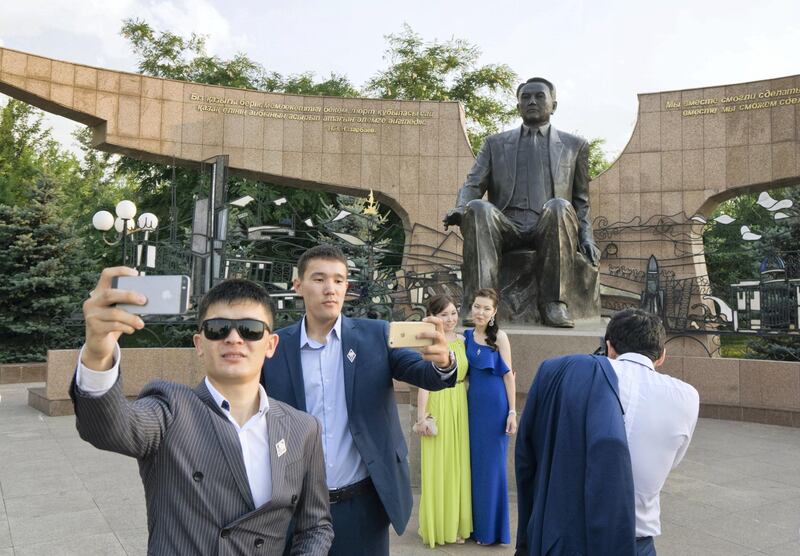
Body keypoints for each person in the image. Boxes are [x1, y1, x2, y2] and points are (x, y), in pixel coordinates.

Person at [71, 267, 333, 555]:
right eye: (218, 329)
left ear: (270, 345)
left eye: (251, 330)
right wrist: (97, 353)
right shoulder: (170, 408)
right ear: (199, 344)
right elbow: (108, 428)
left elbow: (315, 527)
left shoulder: (302, 427)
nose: (234, 338)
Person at [260, 245, 457, 556]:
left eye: (339, 281)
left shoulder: (375, 336)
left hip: (363, 506)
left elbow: (428, 375)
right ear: (298, 285)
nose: (330, 289)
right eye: (319, 279)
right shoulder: (273, 348)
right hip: (296, 508)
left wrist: (444, 361)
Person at [443, 77, 600, 328]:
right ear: (518, 107)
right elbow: (473, 184)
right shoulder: (495, 143)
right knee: (478, 208)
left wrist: (587, 237)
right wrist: (461, 208)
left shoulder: (575, 146)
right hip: (507, 225)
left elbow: (580, 201)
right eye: (526, 98)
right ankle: (482, 305)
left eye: (539, 96)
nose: (532, 101)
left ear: (554, 105)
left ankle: (554, 303)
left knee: (560, 206)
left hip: (549, 223)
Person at [603, 309, 699, 555]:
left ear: (609, 347)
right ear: (662, 356)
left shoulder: (586, 378)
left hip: (578, 531)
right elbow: (673, 460)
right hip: (639, 536)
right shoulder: (687, 396)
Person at [414, 295, 472, 547]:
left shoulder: (462, 341)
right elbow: (424, 382)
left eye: (453, 313)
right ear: (433, 316)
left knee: (457, 465)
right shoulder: (430, 341)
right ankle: (438, 527)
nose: (451, 318)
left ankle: (456, 525)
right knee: (438, 466)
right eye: (445, 314)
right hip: (438, 401)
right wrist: (421, 417)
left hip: (459, 402)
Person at [464, 288, 516, 545]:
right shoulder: (465, 337)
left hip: (496, 409)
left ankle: (492, 531)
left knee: (493, 469)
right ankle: (474, 527)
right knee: (474, 468)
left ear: (494, 312)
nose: (480, 312)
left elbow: (508, 376)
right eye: (477, 306)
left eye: (486, 308)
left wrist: (512, 412)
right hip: (471, 408)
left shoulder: (501, 338)